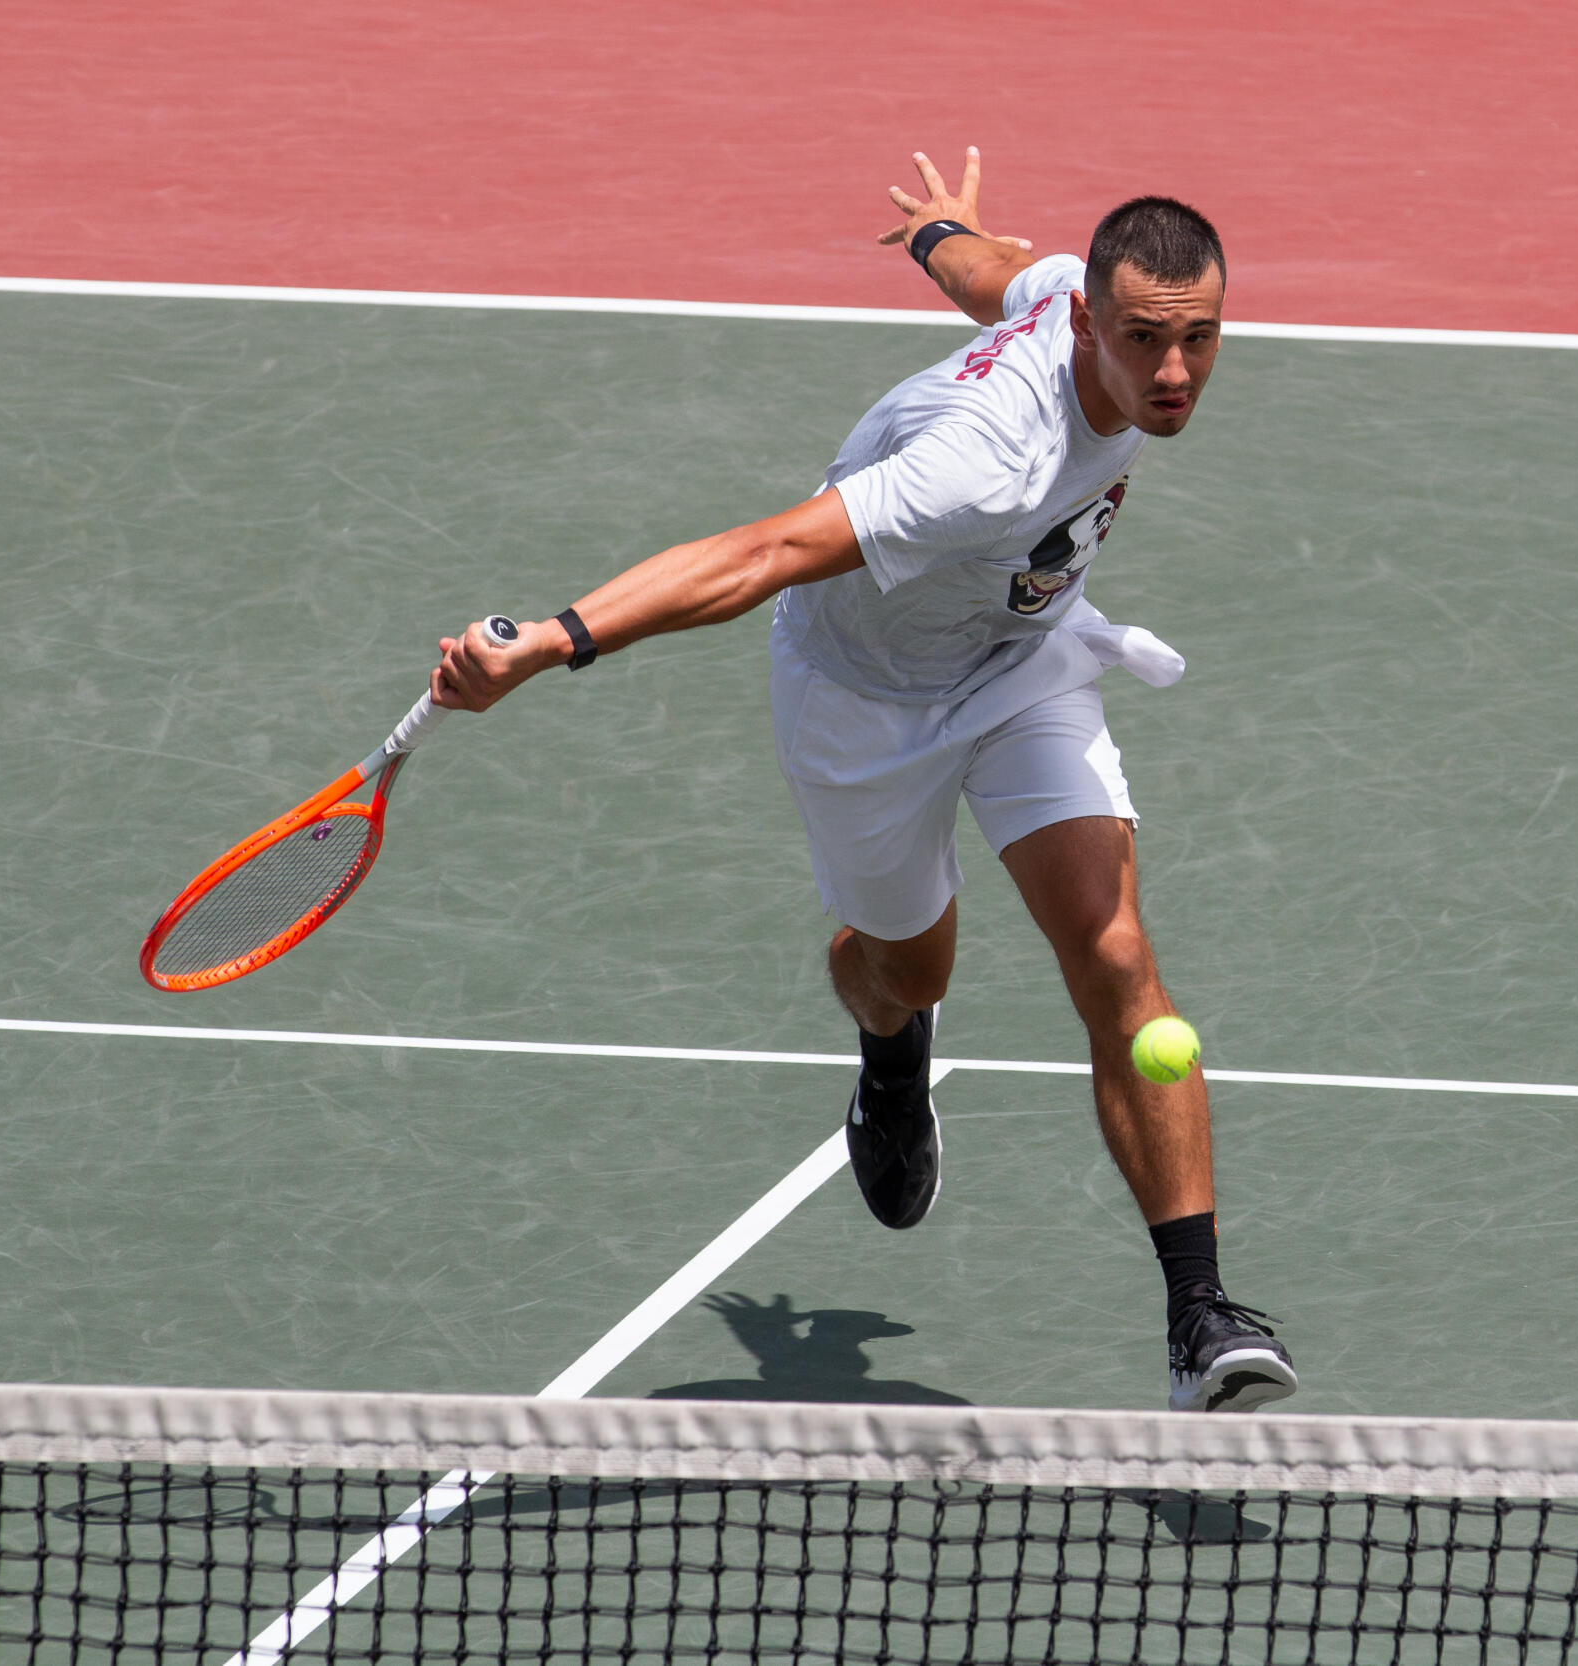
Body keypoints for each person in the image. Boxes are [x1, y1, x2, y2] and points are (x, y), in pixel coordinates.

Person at [429, 148, 1295, 1414]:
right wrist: (557, 639)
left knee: (1116, 958)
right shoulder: (978, 463)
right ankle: (891, 1048)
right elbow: (766, 549)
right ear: (1095, 325)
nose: (1173, 374)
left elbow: (1001, 272)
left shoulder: (1066, 293)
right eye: (1145, 340)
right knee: (907, 965)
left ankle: (1199, 1318)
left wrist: (941, 230)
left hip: (1021, 662)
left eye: (1200, 339)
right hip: (862, 702)